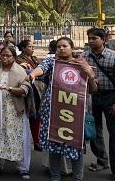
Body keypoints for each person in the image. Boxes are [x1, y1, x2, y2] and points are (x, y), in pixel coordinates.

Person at [27, 37, 98, 181]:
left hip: (74, 111)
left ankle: (77, 177)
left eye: (64, 46)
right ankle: (55, 176)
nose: (61, 49)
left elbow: (93, 89)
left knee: (75, 145)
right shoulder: (52, 61)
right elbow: (41, 69)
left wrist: (90, 74)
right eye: (59, 46)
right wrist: (33, 74)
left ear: (72, 48)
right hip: (53, 110)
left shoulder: (82, 64)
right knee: (54, 144)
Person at [83, 28, 115, 181]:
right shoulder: (84, 57)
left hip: (111, 98)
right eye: (89, 38)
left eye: (94, 38)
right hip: (91, 98)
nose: (91, 41)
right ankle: (101, 160)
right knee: (94, 131)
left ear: (103, 40)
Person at [0, 45, 33, 179]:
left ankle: (23, 168)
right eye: (3, 55)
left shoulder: (20, 70)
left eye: (9, 56)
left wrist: (10, 89)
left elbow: (25, 90)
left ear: (14, 57)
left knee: (18, 137)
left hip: (14, 109)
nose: (5, 58)